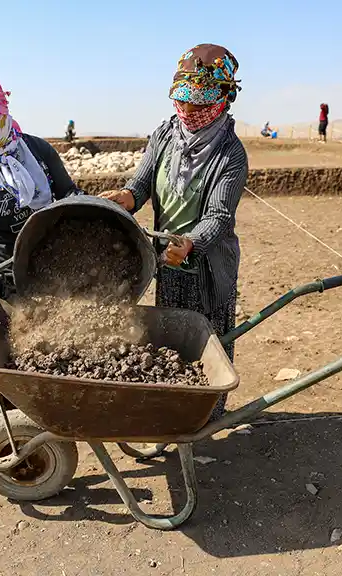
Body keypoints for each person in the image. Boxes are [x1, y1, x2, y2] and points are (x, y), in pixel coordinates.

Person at [99, 43, 248, 420]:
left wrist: (191, 243)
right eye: (182, 102)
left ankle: (206, 414)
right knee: (172, 329)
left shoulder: (231, 153)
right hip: (167, 257)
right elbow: (141, 184)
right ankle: (175, 405)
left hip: (208, 262)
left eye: (199, 105)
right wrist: (126, 196)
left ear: (223, 100)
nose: (188, 111)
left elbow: (218, 216)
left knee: (208, 335)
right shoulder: (165, 134)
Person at [0, 71, 82, 299]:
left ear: (5, 111)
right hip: (6, 271)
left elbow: (68, 192)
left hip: (53, 256)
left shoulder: (39, 150)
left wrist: (89, 207)